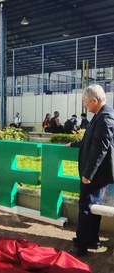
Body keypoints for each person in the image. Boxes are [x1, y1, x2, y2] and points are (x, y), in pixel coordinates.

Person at [66, 84, 114, 256]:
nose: (85, 105)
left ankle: (81, 245)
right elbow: (90, 141)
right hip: (96, 174)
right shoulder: (100, 115)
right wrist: (74, 144)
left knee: (86, 206)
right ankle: (92, 240)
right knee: (93, 206)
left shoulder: (106, 117)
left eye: (86, 102)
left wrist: (88, 174)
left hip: (95, 175)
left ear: (95, 100)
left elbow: (100, 149)